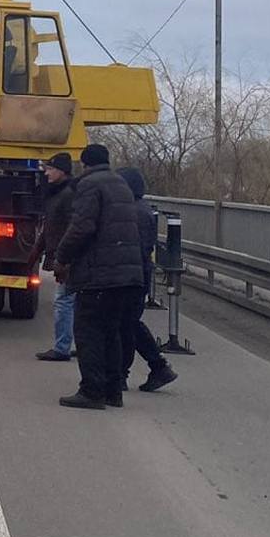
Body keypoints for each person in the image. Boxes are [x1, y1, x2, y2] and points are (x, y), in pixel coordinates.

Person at [53, 143, 143, 409]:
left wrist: (62, 258)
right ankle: (113, 391)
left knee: (88, 331)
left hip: (99, 273)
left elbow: (82, 227)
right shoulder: (120, 184)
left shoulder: (89, 185)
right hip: (126, 272)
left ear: (85, 164)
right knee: (111, 331)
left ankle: (92, 391)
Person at [117, 167, 178, 393]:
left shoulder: (134, 212)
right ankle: (156, 367)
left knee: (126, 324)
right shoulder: (142, 209)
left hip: (133, 274)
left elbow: (134, 247)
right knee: (129, 323)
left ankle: (141, 370)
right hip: (139, 273)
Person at [29, 152, 77, 361]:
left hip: (67, 259)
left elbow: (72, 229)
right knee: (69, 302)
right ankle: (68, 345)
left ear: (61, 171)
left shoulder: (67, 195)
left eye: (49, 169)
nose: (46, 173)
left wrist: (63, 260)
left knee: (65, 301)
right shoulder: (57, 194)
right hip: (63, 257)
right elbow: (50, 227)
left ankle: (62, 348)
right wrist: (34, 255)